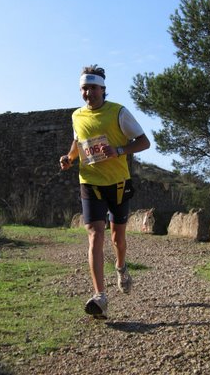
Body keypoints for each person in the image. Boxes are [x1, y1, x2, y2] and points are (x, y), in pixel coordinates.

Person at [59, 64, 150, 319]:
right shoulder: (77, 116)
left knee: (117, 239)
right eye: (84, 89)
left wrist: (119, 151)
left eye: (92, 88)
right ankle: (99, 296)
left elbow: (144, 142)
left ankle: (121, 267)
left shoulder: (118, 113)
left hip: (118, 182)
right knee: (94, 235)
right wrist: (68, 157)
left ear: (103, 88)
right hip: (89, 181)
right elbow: (77, 142)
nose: (88, 93)